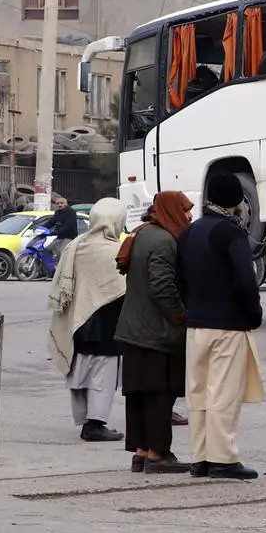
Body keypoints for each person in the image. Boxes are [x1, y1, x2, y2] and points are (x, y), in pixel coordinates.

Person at [179, 173, 265, 481]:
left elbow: (180, 279)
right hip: (227, 324)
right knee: (223, 392)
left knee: (198, 392)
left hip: (196, 324)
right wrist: (253, 313)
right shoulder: (231, 233)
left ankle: (200, 456)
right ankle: (223, 457)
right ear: (235, 201)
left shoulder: (190, 231)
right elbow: (246, 279)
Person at [114, 191, 193, 474]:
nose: (189, 217)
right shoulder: (163, 240)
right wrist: (180, 316)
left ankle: (141, 451)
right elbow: (162, 285)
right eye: (185, 211)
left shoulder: (143, 232)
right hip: (155, 333)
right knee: (160, 393)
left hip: (134, 329)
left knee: (139, 394)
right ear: (171, 211)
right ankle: (158, 453)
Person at [47, 197, 128, 443]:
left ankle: (85, 422)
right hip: (106, 323)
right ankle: (95, 424)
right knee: (102, 375)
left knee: (80, 371)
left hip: (78, 321)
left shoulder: (75, 246)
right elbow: (123, 289)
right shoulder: (115, 250)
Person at [43, 195, 80, 261]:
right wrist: (41, 227)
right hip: (60, 237)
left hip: (69, 238)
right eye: (58, 203)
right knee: (47, 250)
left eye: (61, 203)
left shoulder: (71, 212)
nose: (59, 205)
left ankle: (61, 270)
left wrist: (56, 232)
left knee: (62, 253)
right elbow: (51, 222)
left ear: (66, 203)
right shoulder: (57, 212)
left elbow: (68, 225)